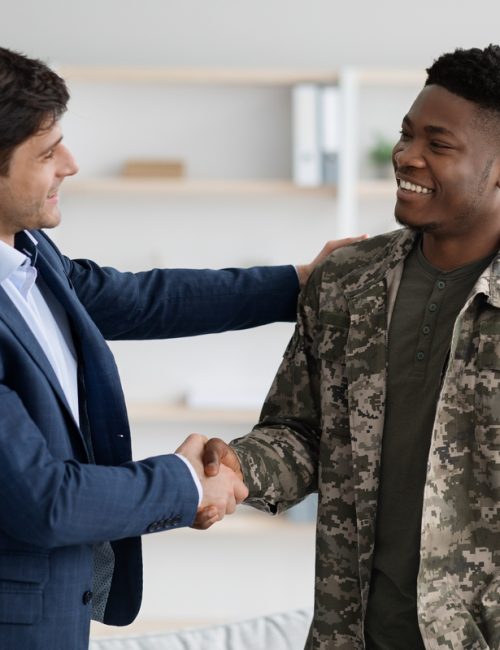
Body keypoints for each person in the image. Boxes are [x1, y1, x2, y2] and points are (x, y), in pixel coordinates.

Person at [0, 46, 363, 650]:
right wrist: (187, 483)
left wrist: (299, 282)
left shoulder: (29, 254)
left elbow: (138, 298)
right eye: (46, 152)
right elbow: (46, 501)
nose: (71, 163)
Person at [200, 44, 500, 649]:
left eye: (438, 145)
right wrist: (237, 467)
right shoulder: (346, 280)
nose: (406, 156)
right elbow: (302, 432)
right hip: (354, 633)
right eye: (406, 134)